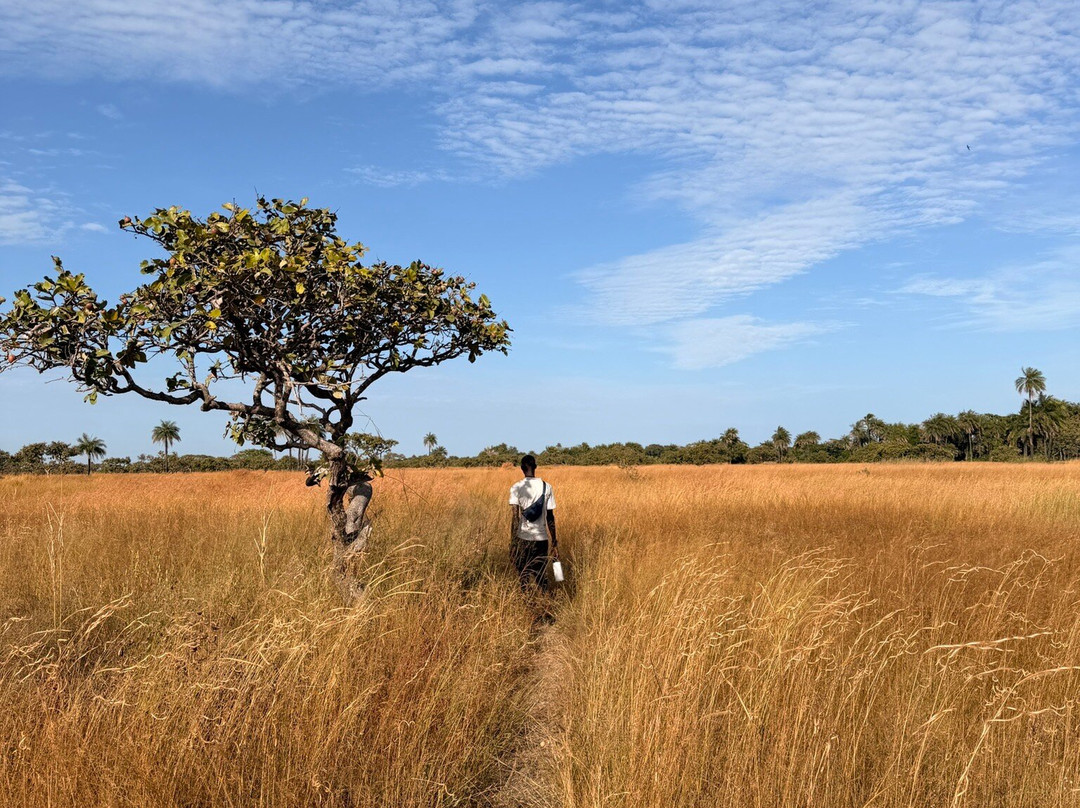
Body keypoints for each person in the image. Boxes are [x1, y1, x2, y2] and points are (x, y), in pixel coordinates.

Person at [508, 454, 557, 591]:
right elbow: (550, 517)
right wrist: (554, 541)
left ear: (521, 468)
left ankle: (529, 604)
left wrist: (513, 543)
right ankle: (546, 603)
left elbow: (515, 518)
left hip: (523, 538)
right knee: (541, 574)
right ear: (535, 467)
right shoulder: (547, 487)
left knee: (523, 575)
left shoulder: (516, 487)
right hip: (541, 539)